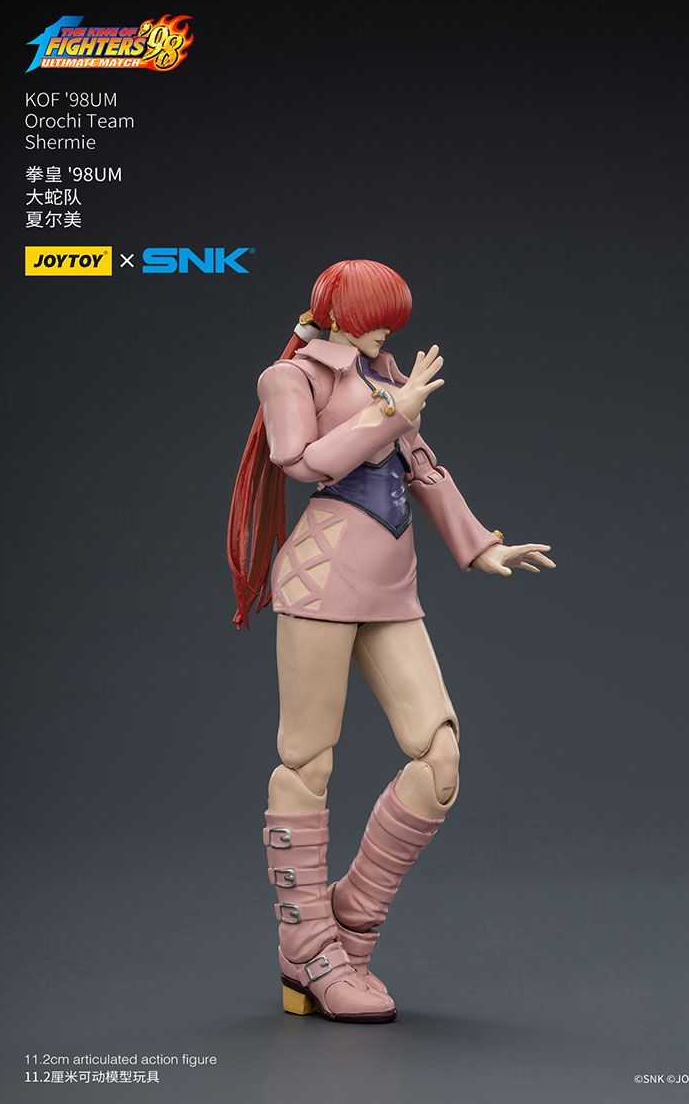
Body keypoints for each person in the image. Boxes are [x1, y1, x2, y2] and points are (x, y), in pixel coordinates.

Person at [227, 259, 555, 1023]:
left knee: (438, 759)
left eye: (393, 322)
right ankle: (309, 950)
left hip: (391, 586)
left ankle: (346, 921)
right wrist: (390, 412)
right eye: (377, 319)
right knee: (307, 759)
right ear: (339, 314)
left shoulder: (384, 372)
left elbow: (423, 469)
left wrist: (480, 546)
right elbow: (301, 461)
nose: (386, 333)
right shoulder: (291, 378)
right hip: (322, 577)